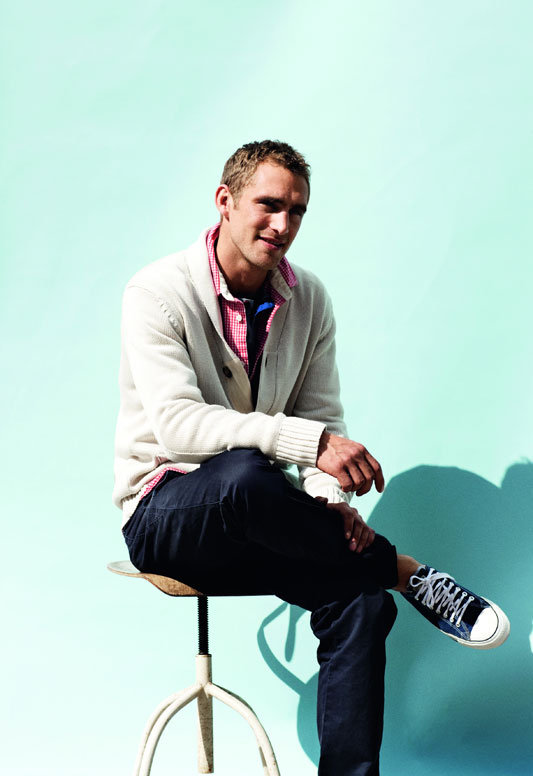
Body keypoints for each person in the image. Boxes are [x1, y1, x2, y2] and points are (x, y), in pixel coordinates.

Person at [113, 140, 509, 775]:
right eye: (268, 205)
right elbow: (181, 427)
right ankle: (400, 568)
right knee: (244, 475)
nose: (283, 224)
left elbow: (322, 417)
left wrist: (329, 503)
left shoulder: (310, 299)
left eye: (297, 211)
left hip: (267, 518)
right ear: (225, 201)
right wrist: (313, 446)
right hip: (167, 514)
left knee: (361, 603)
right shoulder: (157, 292)